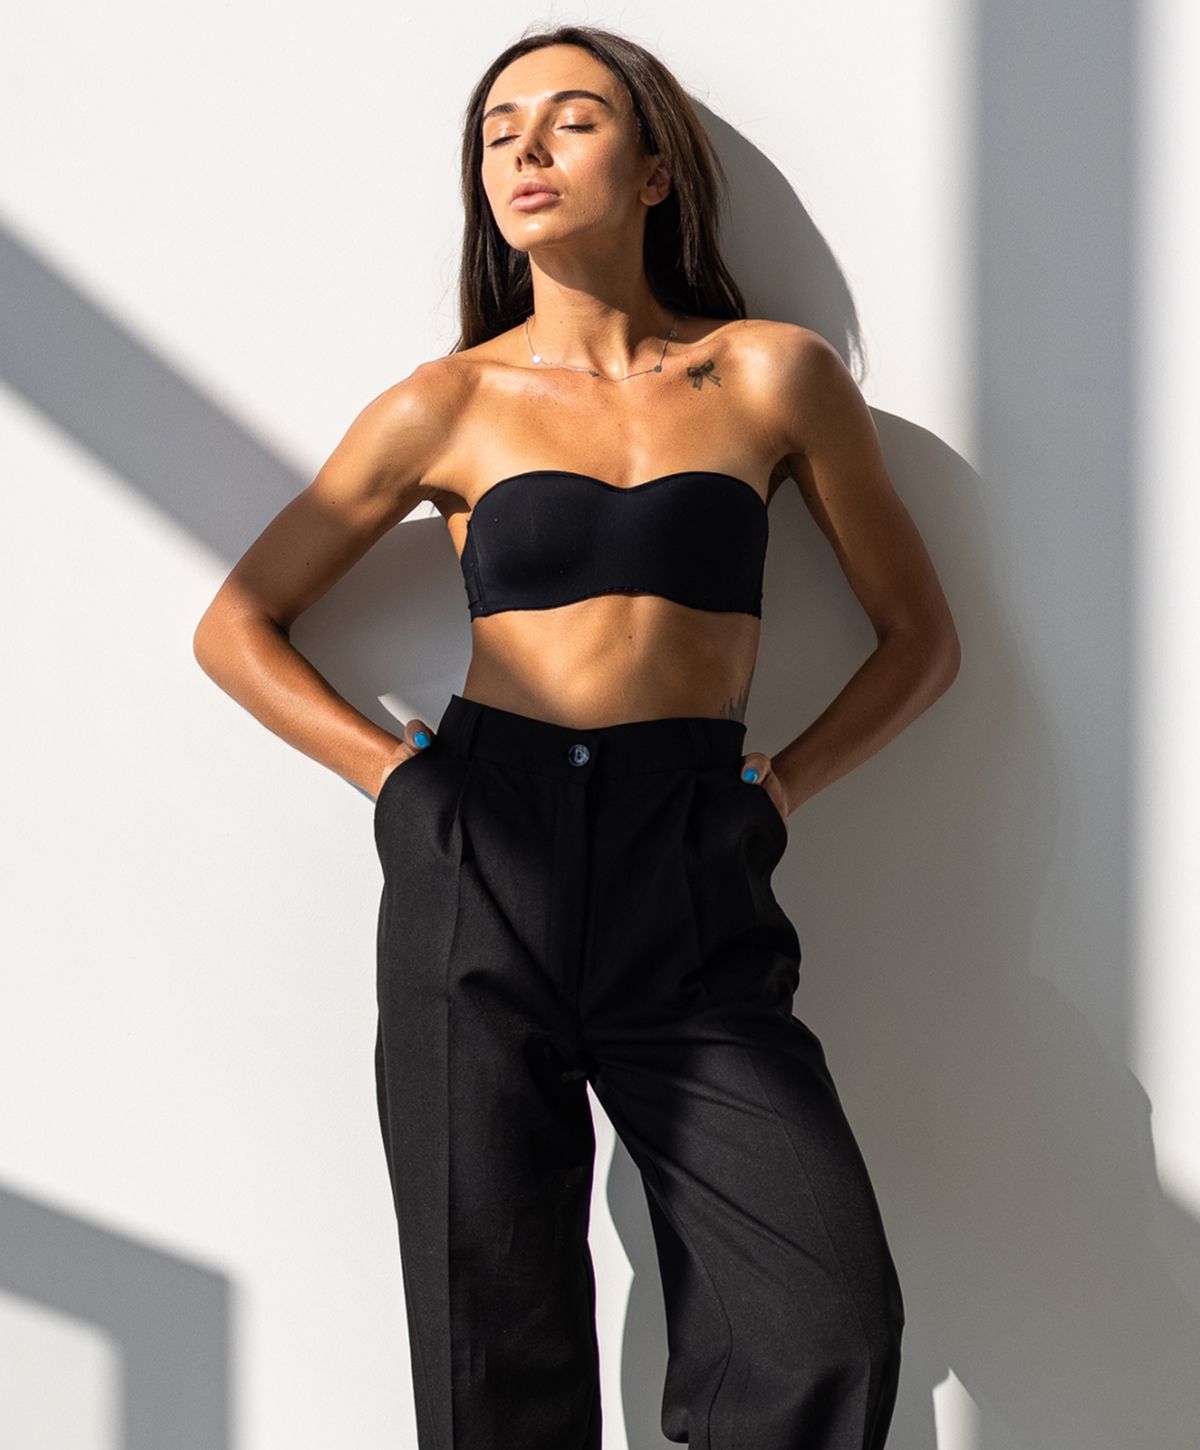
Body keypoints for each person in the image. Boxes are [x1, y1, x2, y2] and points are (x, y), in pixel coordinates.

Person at [193, 22, 959, 1450]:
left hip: (693, 857)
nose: (526, 150)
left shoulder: (772, 379)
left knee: (825, 1318)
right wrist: (401, 781)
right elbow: (237, 623)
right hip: (482, 846)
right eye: (498, 132)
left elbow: (922, 639)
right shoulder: (450, 400)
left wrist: (778, 788)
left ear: (657, 169)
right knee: (492, 1340)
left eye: (571, 120)